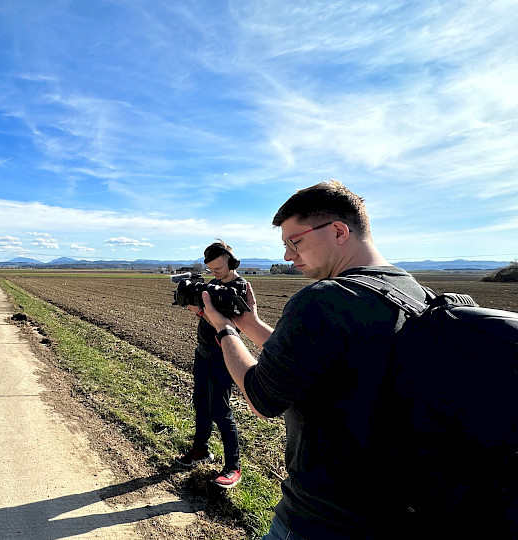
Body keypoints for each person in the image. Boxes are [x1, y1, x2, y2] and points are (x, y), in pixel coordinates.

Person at [199, 181, 427, 538]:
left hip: (322, 515)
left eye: (295, 241)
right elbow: (311, 362)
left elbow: (262, 398)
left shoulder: (322, 299)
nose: (289, 256)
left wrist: (224, 329)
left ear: (338, 231)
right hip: (394, 512)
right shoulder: (412, 292)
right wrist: (252, 324)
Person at [174, 240, 246, 489]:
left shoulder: (240, 288)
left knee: (221, 410)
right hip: (202, 353)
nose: (214, 272)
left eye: (218, 267)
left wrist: (203, 312)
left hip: (224, 356)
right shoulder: (213, 284)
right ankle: (200, 450)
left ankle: (233, 467)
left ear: (231, 261)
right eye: (211, 269)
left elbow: (234, 324)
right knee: (200, 403)